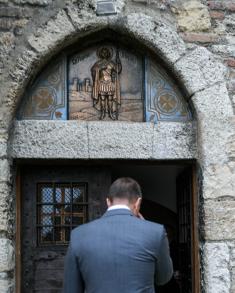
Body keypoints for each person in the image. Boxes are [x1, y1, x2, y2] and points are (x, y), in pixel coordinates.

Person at [63, 177, 173, 293]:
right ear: (138, 202)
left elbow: (71, 289)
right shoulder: (156, 232)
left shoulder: (78, 235)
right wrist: (146, 228)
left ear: (108, 202)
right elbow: (163, 278)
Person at [91, 47, 122, 120]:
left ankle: (111, 113)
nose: (104, 53)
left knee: (110, 98)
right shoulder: (98, 63)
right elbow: (93, 71)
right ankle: (103, 113)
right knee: (102, 98)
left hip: (110, 83)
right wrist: (99, 69)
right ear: (100, 54)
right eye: (103, 52)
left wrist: (119, 62)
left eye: (106, 52)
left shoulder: (111, 63)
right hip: (101, 83)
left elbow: (118, 70)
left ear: (108, 54)